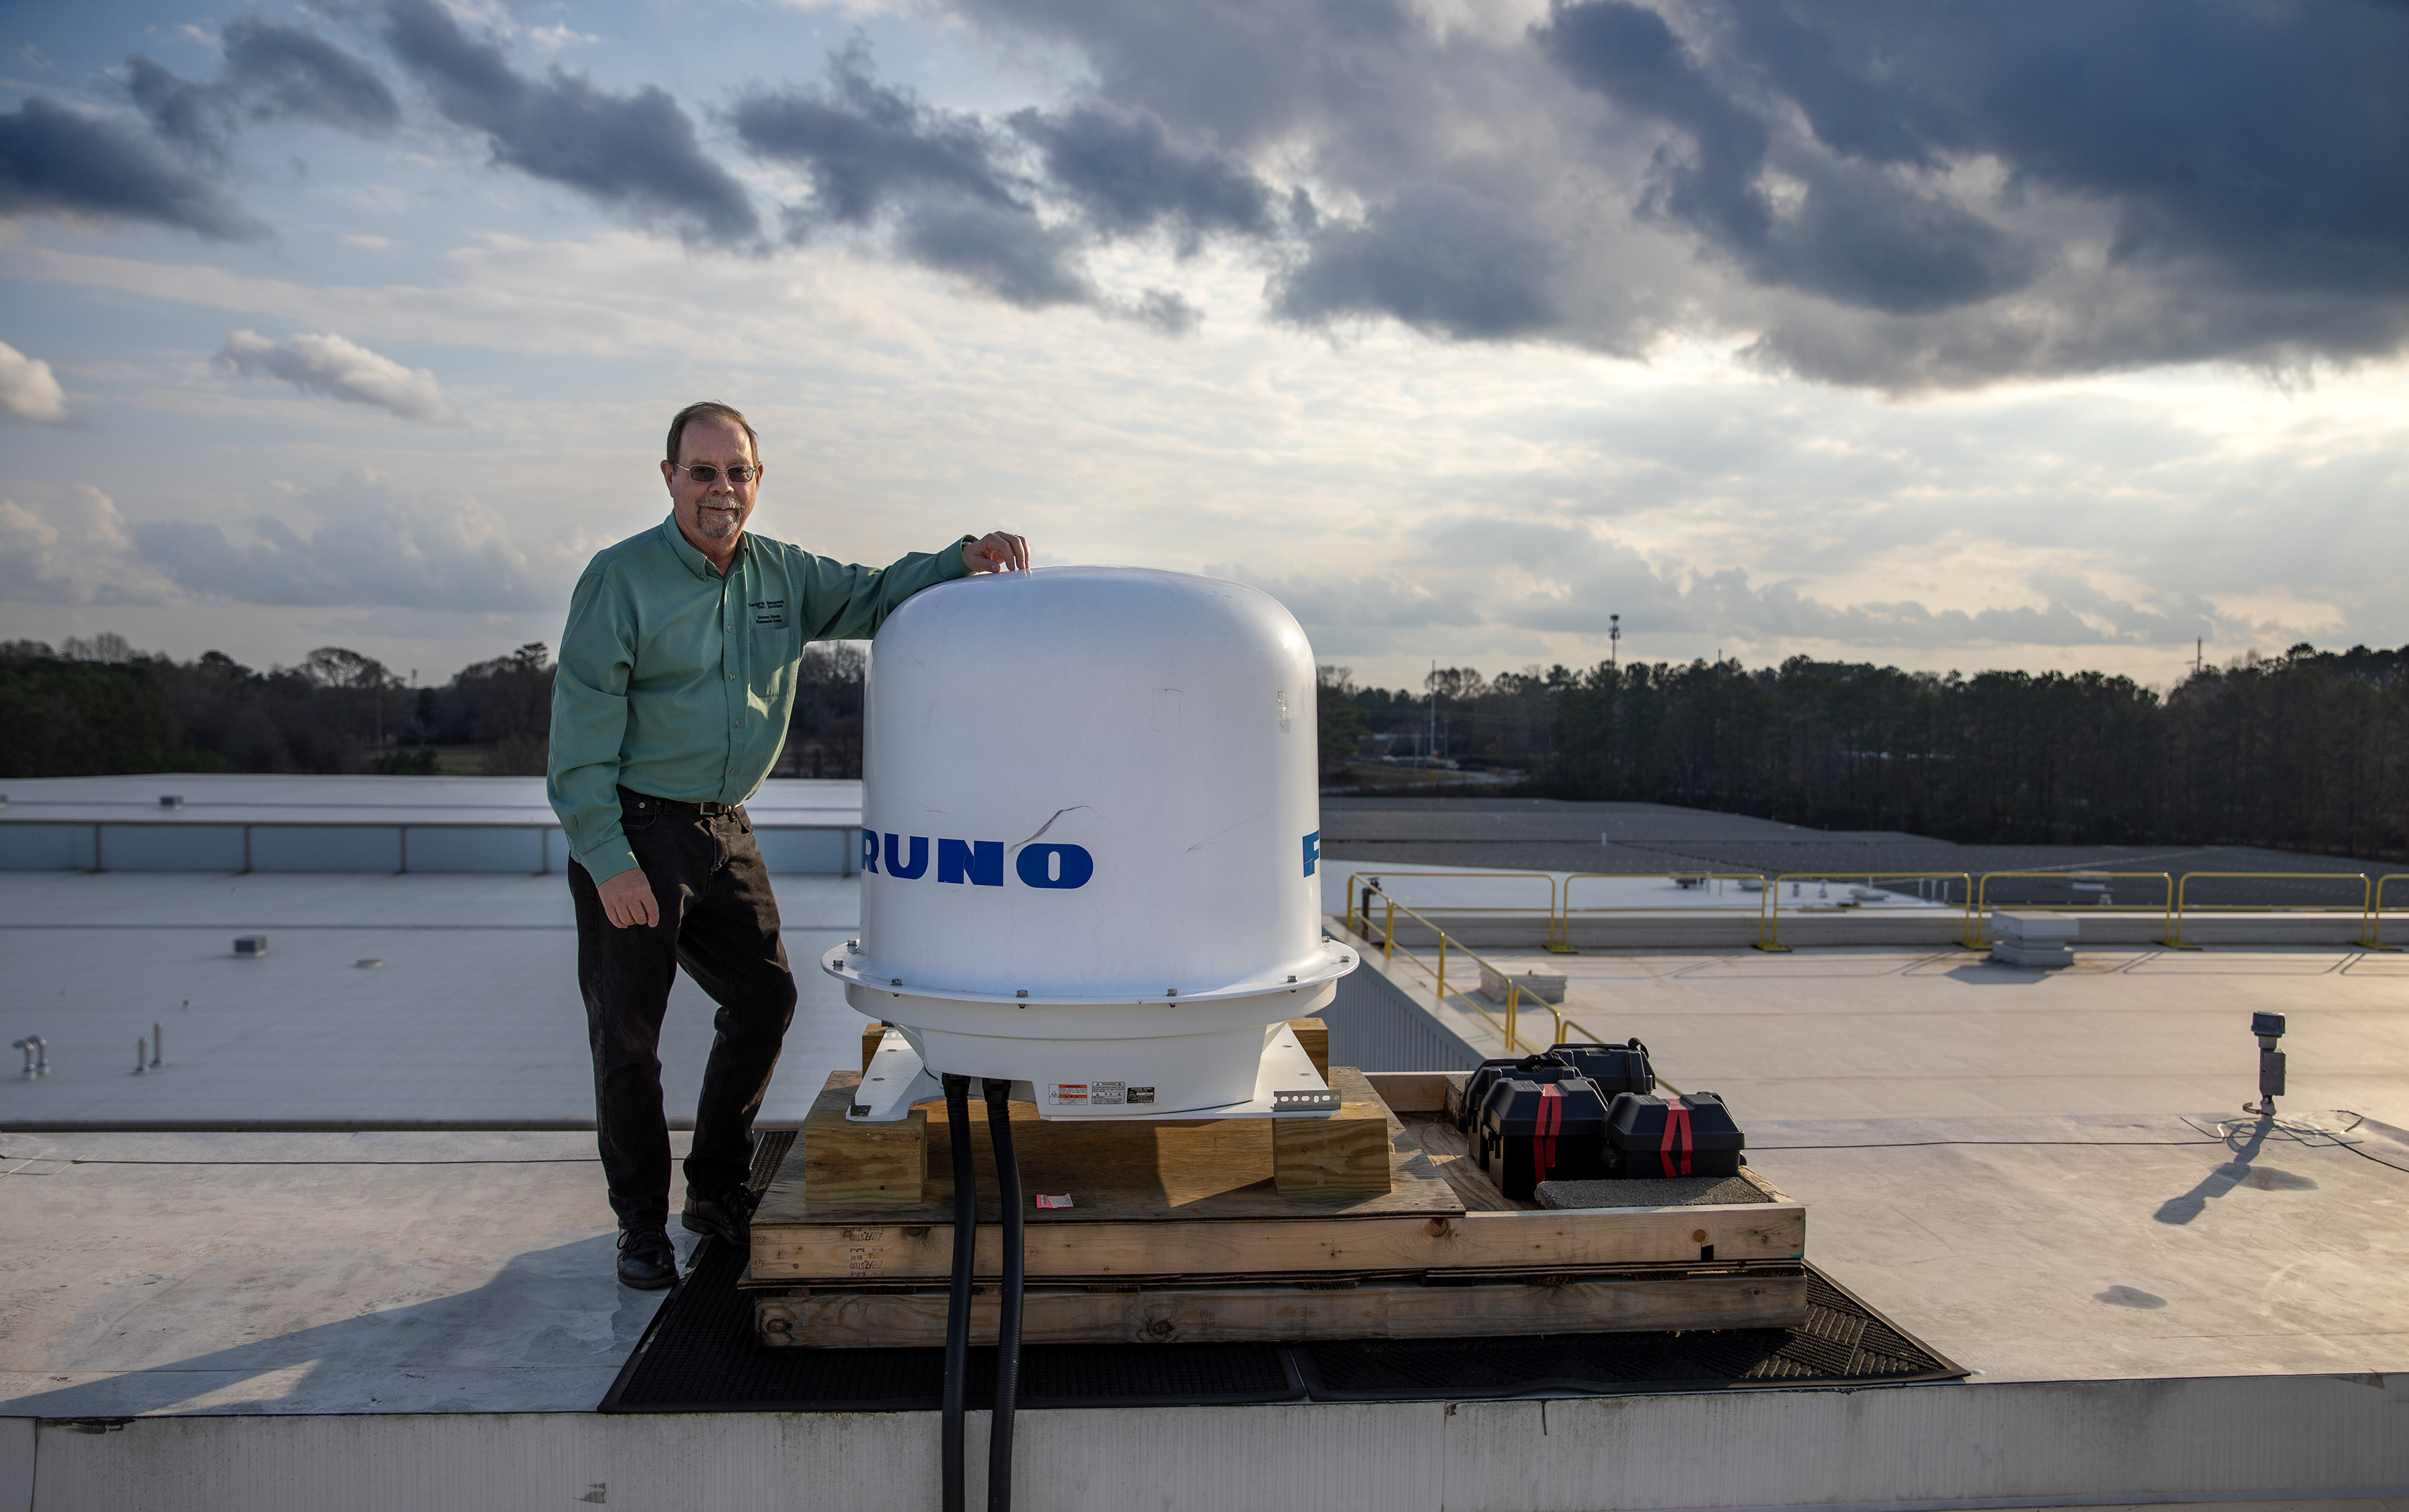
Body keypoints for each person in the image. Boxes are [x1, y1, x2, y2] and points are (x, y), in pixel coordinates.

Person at [548, 400, 1029, 1289]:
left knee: (766, 1002)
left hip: (723, 827)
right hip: (637, 829)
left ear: (757, 482)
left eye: (736, 473)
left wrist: (959, 560)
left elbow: (879, 591)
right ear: (669, 480)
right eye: (702, 473)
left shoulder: (783, 577)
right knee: (629, 1040)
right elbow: (578, 738)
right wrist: (608, 860)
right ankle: (640, 1231)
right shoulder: (620, 582)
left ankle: (716, 1189)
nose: (720, 490)